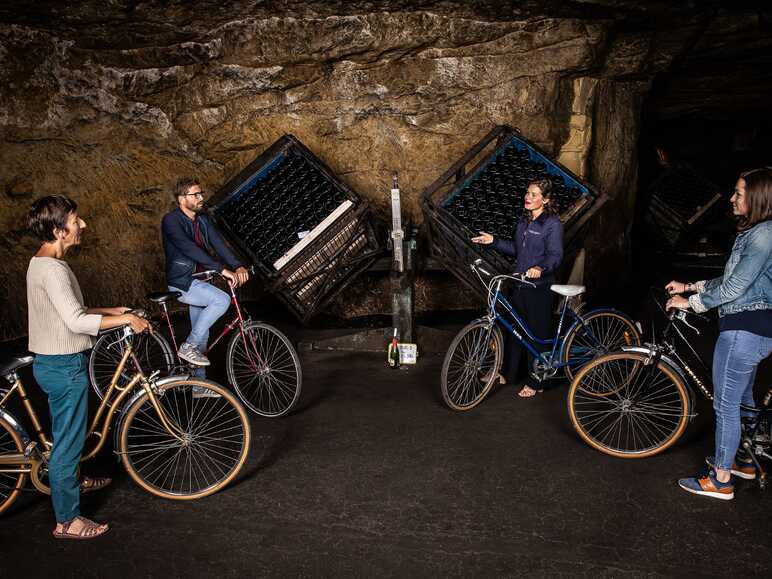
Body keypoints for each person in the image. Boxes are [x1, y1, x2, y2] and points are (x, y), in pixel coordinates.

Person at [26, 195, 151, 539]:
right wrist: (126, 318)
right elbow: (77, 321)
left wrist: (111, 310)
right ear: (58, 229)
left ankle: (75, 481)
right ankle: (67, 521)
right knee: (67, 444)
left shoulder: (44, 262)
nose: (83, 225)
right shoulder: (52, 269)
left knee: (69, 435)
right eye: (76, 220)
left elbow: (66, 310)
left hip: (56, 363)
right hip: (63, 367)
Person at [666, 166, 772, 500]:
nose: (732, 197)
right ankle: (743, 461)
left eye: (739, 192)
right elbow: (734, 280)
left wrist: (691, 302)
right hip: (752, 328)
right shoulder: (759, 233)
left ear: (757, 197)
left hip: (745, 330)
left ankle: (721, 479)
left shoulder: (763, 235)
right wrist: (690, 284)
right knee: (741, 399)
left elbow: (736, 287)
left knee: (725, 404)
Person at [471, 177, 564, 397]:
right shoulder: (524, 221)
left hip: (539, 287)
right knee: (515, 331)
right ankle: (509, 373)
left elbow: (556, 255)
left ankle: (537, 381)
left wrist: (540, 268)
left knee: (536, 334)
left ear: (546, 199)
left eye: (534, 194)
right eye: (527, 193)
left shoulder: (552, 224)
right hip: (519, 283)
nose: (528, 197)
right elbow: (517, 250)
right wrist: (493, 240)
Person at [161, 178, 249, 370]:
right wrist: (222, 269)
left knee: (202, 332)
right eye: (196, 194)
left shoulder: (202, 220)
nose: (201, 198)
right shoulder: (171, 220)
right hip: (182, 282)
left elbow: (219, 244)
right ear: (182, 199)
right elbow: (189, 249)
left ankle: (198, 386)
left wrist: (238, 265)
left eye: (201, 193)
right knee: (221, 300)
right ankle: (188, 346)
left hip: (201, 281)